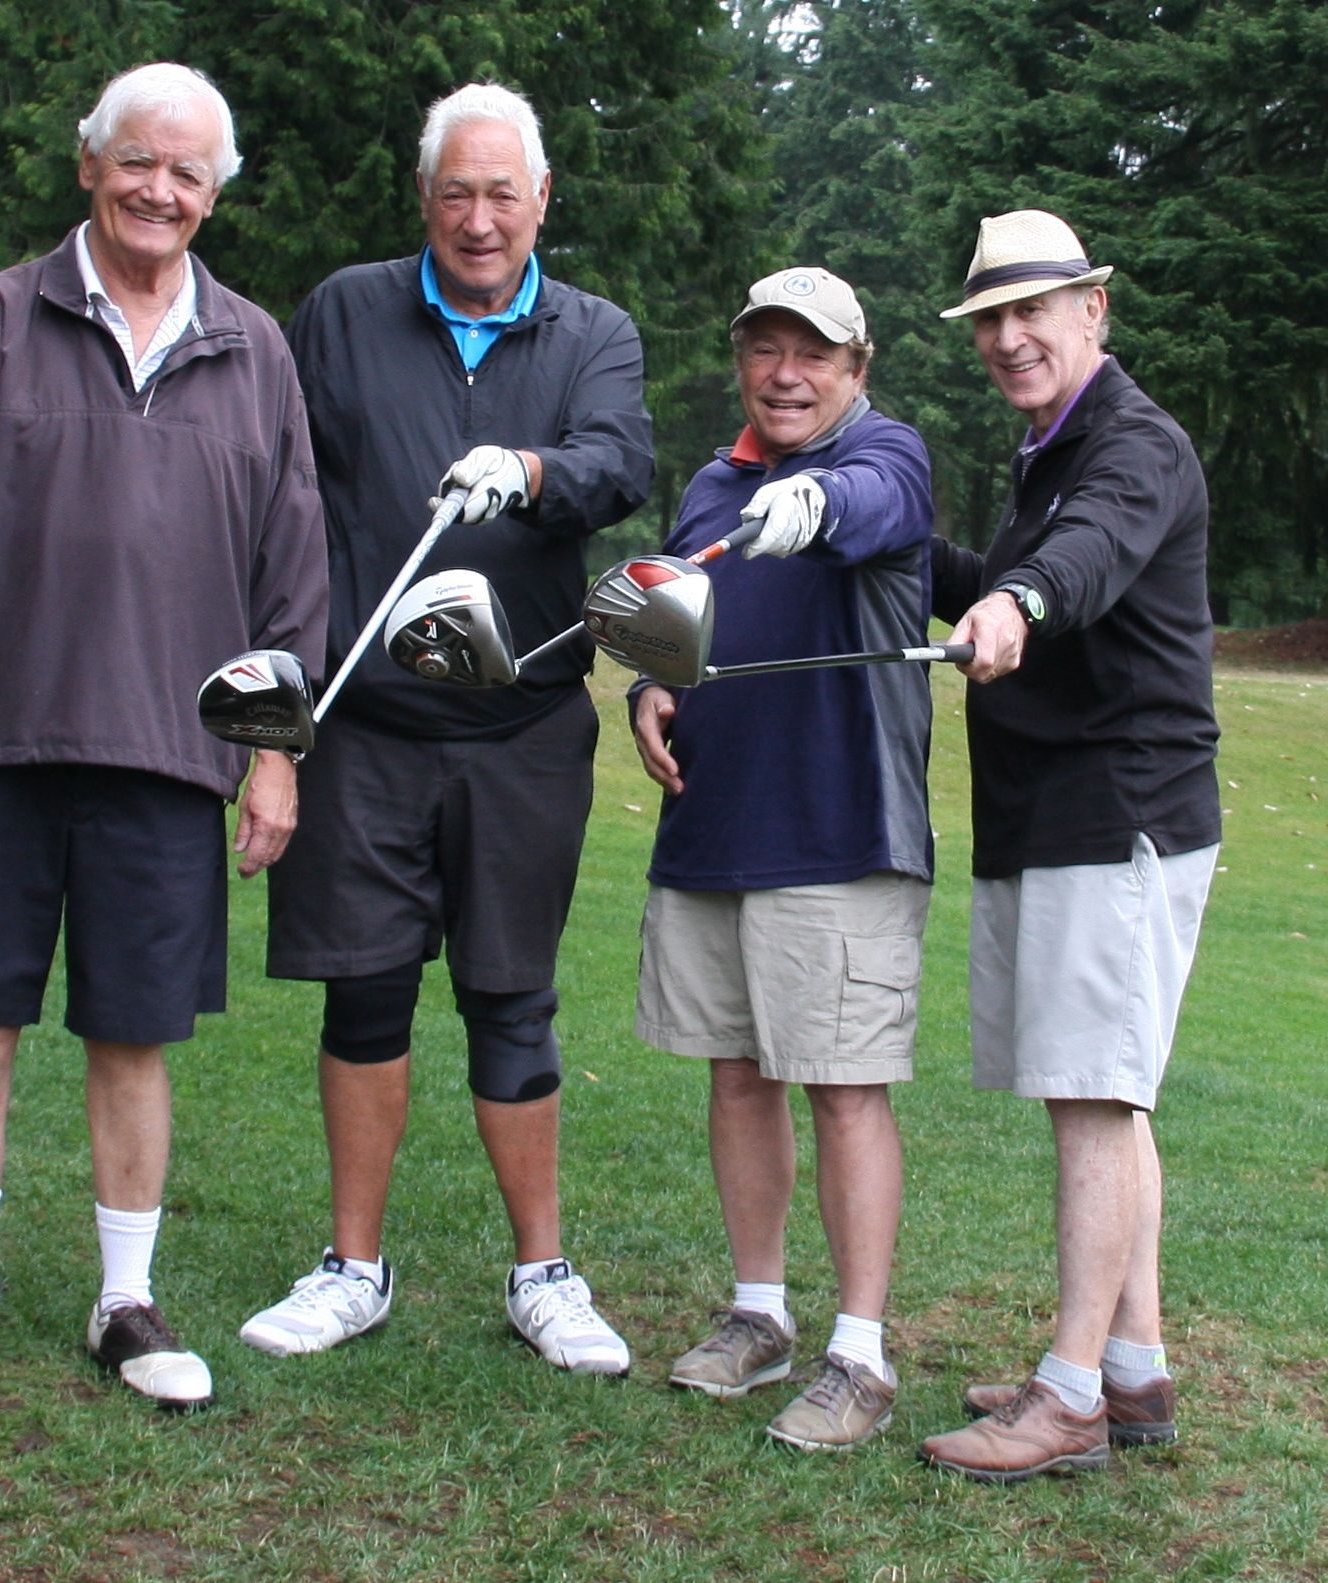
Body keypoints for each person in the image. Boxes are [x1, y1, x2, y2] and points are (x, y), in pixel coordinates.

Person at [0, 63, 327, 1409]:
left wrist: (273, 751)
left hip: (167, 753)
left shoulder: (254, 352)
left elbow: (290, 573)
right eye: (136, 162)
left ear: (213, 193)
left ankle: (126, 1297)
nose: (158, 190)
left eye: (185, 172)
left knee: (132, 1035)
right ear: (89, 166)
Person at [239, 82, 652, 1373]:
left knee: (509, 995)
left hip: (520, 724)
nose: (479, 219)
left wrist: (528, 470)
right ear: (423, 196)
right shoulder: (345, 310)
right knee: (363, 990)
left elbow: (620, 460)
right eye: (456, 193)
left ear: (542, 200)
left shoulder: (592, 331)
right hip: (363, 724)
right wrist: (276, 718)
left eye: (502, 194)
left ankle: (543, 1274)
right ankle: (351, 1266)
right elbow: (283, 490)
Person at [917, 210, 1220, 1482]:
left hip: (1119, 813)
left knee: (1096, 1098)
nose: (1007, 337)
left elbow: (1082, 560)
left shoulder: (1131, 444)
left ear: (1093, 308)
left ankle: (1068, 1395)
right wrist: (908, 557)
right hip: (1059, 813)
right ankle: (1132, 1367)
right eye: (989, 317)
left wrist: (1016, 598)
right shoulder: (1048, 448)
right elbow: (1020, 565)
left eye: (1031, 310)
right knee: (1105, 1093)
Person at [630, 268, 935, 1447]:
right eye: (765, 349)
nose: (786, 373)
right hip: (714, 826)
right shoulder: (714, 483)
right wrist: (650, 687)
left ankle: (859, 1352)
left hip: (837, 830)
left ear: (856, 370)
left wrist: (809, 500)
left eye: (813, 355)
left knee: (844, 1086)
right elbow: (671, 625)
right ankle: (758, 1310)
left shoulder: (885, 456)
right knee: (736, 1072)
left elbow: (871, 505)